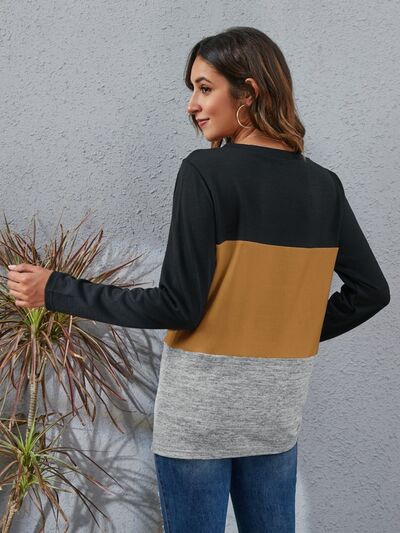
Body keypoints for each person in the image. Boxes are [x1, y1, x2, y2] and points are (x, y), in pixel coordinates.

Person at [7, 26, 390, 533]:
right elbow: (371, 292)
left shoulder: (205, 173)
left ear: (248, 92)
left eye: (205, 88)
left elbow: (177, 306)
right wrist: (286, 333)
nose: (192, 105)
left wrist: (55, 289)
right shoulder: (324, 186)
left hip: (199, 418)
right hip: (274, 414)